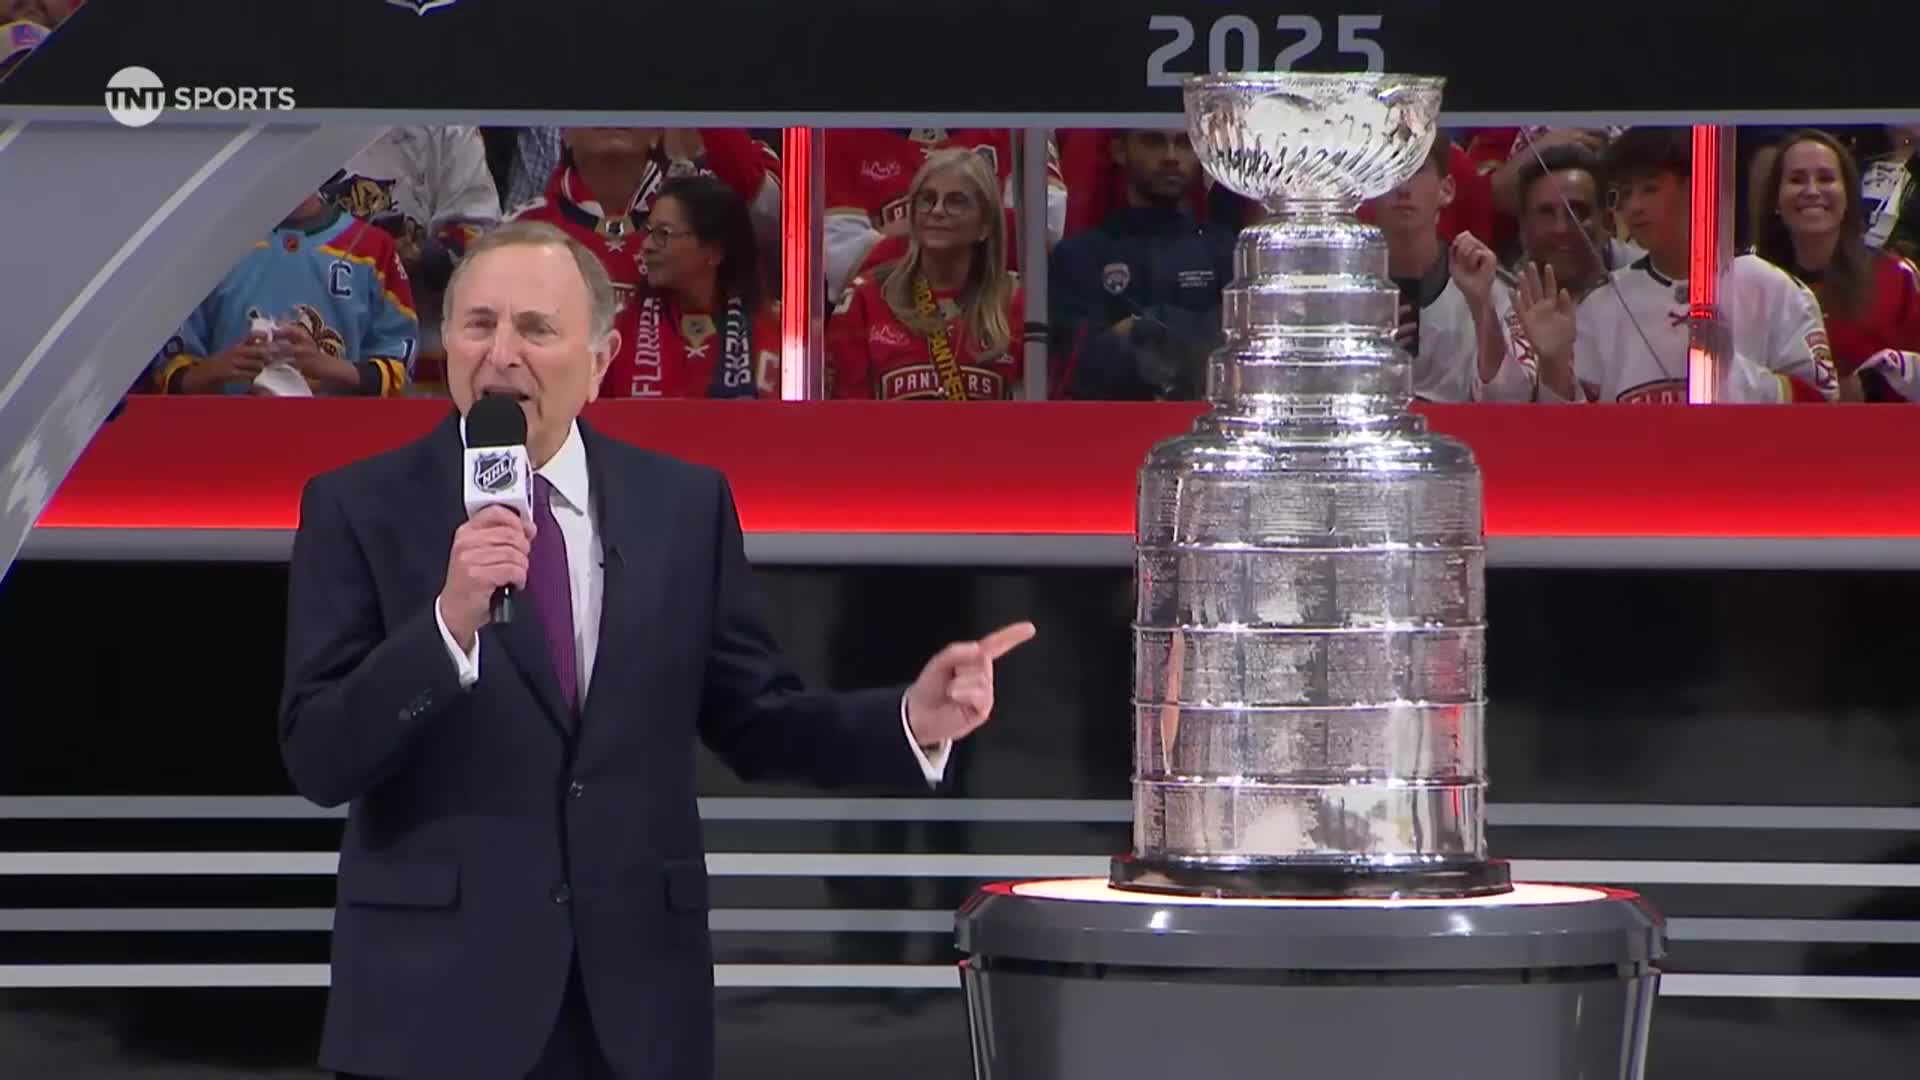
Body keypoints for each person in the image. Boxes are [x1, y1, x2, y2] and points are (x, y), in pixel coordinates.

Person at [278, 218, 1035, 1080]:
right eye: (479, 324)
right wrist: (448, 625)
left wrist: (910, 718)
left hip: (632, 1007)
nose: (502, 354)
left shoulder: (682, 506)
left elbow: (757, 718)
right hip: (434, 1010)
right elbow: (321, 755)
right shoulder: (358, 507)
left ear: (599, 360)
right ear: (444, 342)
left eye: (536, 328)